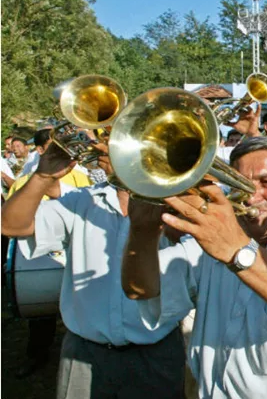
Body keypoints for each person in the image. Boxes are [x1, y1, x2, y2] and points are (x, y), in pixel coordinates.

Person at [121, 137, 267, 398]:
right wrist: (142, 232)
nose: (251, 196)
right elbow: (141, 291)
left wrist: (238, 252)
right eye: (238, 183)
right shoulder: (212, 237)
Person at [1, 141, 186, 398]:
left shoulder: (178, 203)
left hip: (156, 352)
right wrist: (42, 176)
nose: (103, 149)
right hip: (84, 351)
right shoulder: (82, 200)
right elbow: (11, 226)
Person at [5, 129, 93, 379]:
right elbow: (13, 222)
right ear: (42, 151)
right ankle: (37, 356)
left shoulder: (82, 178)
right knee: (42, 319)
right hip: (41, 249)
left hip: (72, 253)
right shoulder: (25, 180)